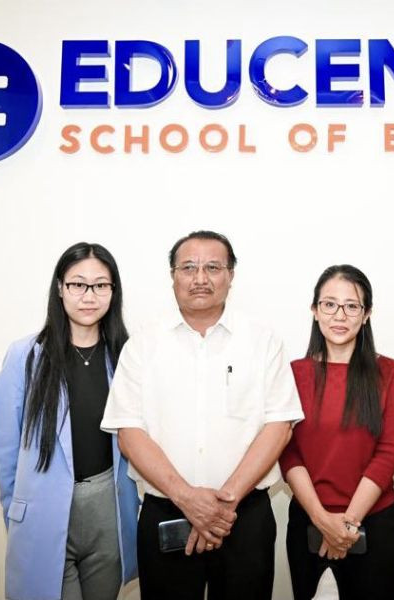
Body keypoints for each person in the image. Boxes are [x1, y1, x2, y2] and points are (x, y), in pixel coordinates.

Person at [100, 230, 303, 600]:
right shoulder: (143, 344)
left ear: (231, 275)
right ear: (173, 276)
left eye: (213, 267)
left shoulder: (262, 341)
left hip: (244, 517)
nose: (200, 278)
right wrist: (188, 499)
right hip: (167, 513)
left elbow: (279, 427)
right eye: (188, 267)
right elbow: (129, 433)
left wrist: (222, 503)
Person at [0, 242, 139, 600]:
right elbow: (5, 446)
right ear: (60, 288)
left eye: (101, 285)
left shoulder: (126, 355)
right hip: (45, 513)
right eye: (77, 284)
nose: (89, 296)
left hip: (108, 508)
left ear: (113, 292)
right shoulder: (25, 355)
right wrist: (18, 512)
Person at [280, 265, 394, 600]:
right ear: (314, 310)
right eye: (329, 304)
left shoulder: (389, 372)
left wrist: (347, 525)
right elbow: (287, 451)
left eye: (352, 306)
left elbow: (388, 452)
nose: (340, 315)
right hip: (308, 521)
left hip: (376, 524)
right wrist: (322, 520)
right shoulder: (293, 373)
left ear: (366, 315)